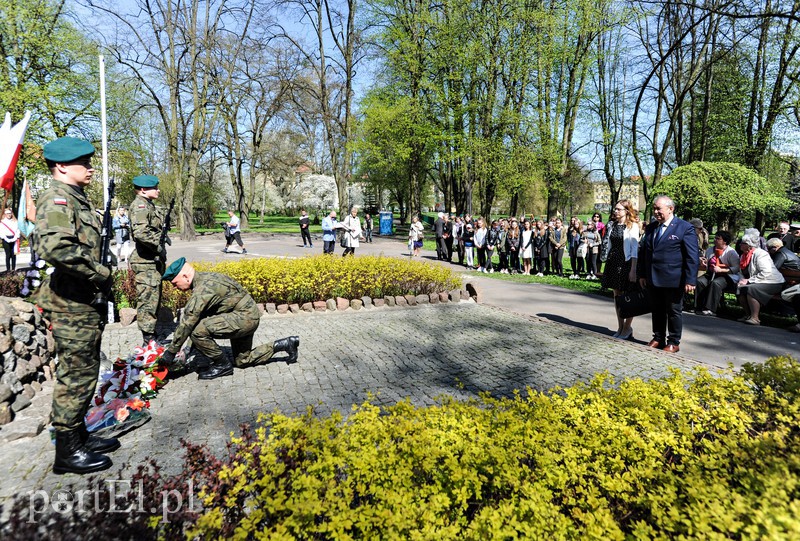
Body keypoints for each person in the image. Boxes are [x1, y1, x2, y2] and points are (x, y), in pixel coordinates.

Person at [34, 136, 119, 474]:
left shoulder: (76, 198)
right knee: (76, 374)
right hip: (71, 302)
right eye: (84, 162)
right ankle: (66, 453)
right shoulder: (57, 201)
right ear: (62, 166)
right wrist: (99, 271)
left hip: (83, 301)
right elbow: (55, 248)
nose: (91, 167)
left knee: (85, 370)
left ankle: (79, 434)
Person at [159, 258, 300, 380]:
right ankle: (285, 344)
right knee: (242, 361)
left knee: (198, 331)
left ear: (185, 277)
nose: (175, 288)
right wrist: (187, 350)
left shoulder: (202, 291)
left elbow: (188, 323)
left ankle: (222, 365)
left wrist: (171, 352)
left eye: (175, 284)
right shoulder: (208, 277)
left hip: (243, 319)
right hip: (248, 315)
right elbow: (199, 317)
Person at [637, 195, 699, 352]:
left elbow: (692, 256)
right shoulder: (651, 228)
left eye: (659, 208)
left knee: (673, 311)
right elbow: (644, 253)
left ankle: (673, 341)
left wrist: (690, 280)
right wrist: (642, 274)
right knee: (657, 309)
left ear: (671, 209)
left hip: (674, 278)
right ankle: (658, 337)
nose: (656, 212)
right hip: (653, 277)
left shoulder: (684, 228)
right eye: (654, 208)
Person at [130, 174, 167, 345]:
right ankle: (148, 340)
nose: (158, 190)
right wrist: (158, 244)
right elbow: (141, 233)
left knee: (154, 299)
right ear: (143, 190)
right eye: (155, 188)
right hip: (145, 261)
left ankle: (153, 335)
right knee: (147, 301)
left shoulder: (149, 205)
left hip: (152, 261)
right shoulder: (140, 206)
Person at [602, 199, 641, 340]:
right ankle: (620, 326)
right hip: (613, 262)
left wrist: (633, 269)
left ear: (626, 211)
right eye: (615, 209)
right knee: (617, 296)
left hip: (626, 262)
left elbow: (635, 249)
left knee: (628, 296)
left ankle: (627, 327)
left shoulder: (632, 226)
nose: (616, 211)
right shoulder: (612, 225)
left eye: (619, 209)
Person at [736, 229, 785, 325]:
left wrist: (749, 281)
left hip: (773, 282)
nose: (740, 245)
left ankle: (755, 318)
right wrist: (741, 279)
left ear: (749, 246)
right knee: (740, 288)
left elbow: (766, 271)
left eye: (743, 243)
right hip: (759, 280)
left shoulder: (761, 254)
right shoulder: (743, 256)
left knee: (751, 289)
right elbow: (741, 271)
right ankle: (747, 314)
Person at [694, 230, 740, 316]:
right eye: (715, 238)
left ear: (725, 241)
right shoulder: (710, 250)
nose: (715, 240)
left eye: (718, 238)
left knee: (716, 283)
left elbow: (737, 268)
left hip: (727, 276)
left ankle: (710, 309)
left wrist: (722, 270)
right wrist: (704, 263)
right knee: (699, 281)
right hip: (712, 274)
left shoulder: (731, 252)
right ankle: (699, 307)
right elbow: (707, 263)